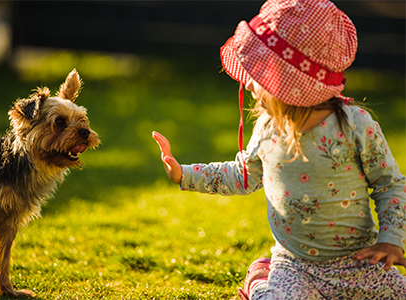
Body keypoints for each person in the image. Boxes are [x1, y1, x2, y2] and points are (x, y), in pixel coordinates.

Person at [153, 0, 406, 299]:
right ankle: (261, 281)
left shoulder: (355, 126)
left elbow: (388, 183)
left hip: (358, 263)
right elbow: (243, 175)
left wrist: (391, 239)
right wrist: (184, 174)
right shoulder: (267, 129)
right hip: (295, 266)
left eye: (258, 75)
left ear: (284, 79)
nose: (248, 85)